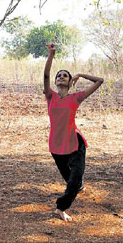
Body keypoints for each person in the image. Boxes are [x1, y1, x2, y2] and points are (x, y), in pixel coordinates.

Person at [43, 43, 103, 222]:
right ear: (55, 82)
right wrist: (51, 54)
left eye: (65, 76)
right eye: (59, 76)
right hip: (56, 144)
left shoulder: (75, 97)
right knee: (71, 181)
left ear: (70, 82)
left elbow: (99, 81)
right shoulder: (50, 96)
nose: (61, 77)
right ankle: (78, 186)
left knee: (75, 177)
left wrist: (80, 75)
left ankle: (61, 207)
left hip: (75, 142)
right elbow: (45, 74)